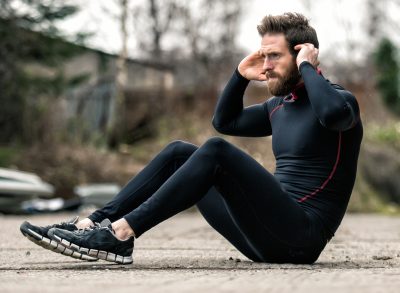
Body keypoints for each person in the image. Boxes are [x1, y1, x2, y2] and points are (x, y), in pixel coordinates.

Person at [20, 12, 362, 265]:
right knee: (180, 152)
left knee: (215, 152)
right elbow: (224, 122)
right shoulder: (278, 106)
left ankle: (121, 235)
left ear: (305, 53)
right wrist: (239, 76)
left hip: (301, 239)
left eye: (275, 56)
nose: (266, 64)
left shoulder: (340, 102)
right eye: (263, 54)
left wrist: (307, 68)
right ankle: (91, 223)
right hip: (261, 235)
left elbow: (331, 115)